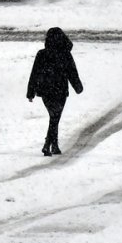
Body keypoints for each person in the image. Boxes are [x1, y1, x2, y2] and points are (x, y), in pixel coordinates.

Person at [27, 27, 83, 156]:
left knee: (54, 117)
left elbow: (34, 73)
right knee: (55, 117)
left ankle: (54, 145)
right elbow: (72, 73)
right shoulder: (65, 54)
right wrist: (78, 87)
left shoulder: (42, 54)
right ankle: (48, 145)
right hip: (60, 90)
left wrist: (31, 92)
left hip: (45, 91)